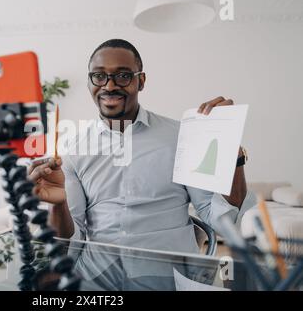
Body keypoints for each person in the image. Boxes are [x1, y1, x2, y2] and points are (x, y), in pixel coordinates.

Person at [28, 39, 256, 290]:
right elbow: (70, 244)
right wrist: (59, 204)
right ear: (90, 82)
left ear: (141, 81)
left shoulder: (183, 136)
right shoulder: (72, 149)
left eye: (123, 75)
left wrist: (232, 153)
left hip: (168, 279)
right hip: (98, 280)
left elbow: (221, 219)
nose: (110, 85)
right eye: (99, 76)